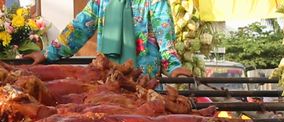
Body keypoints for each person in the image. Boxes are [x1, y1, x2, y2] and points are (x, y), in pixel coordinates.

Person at [25, 0, 192, 78]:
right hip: (109, 80)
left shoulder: (155, 1)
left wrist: (173, 67)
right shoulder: (101, 1)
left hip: (144, 82)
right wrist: (48, 53)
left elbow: (165, 35)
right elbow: (79, 28)